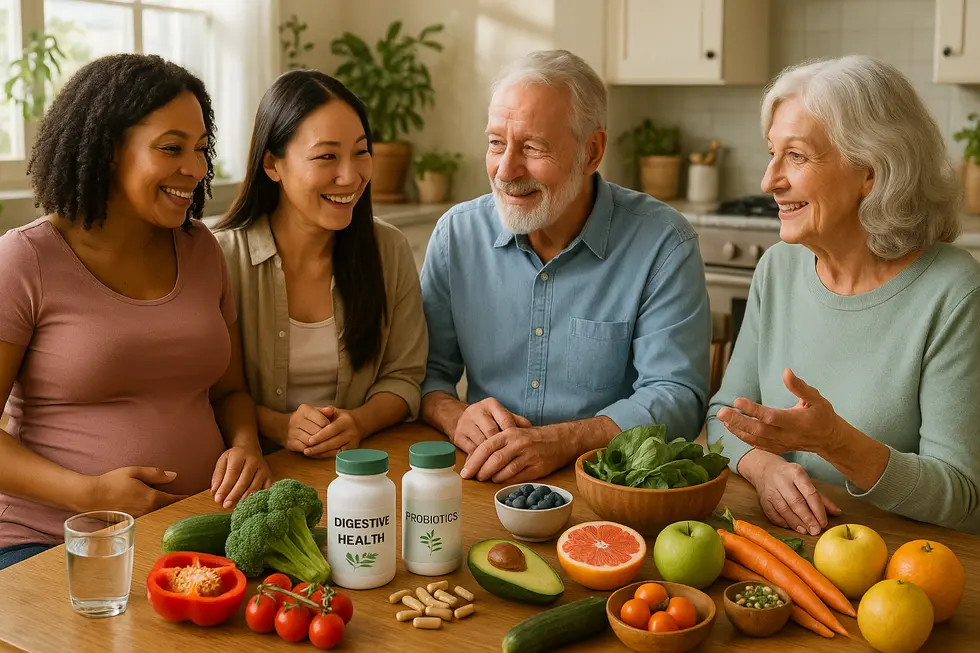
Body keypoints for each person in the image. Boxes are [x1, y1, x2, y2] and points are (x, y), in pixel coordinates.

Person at [0, 54, 272, 571]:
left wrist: (246, 446)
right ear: (107, 150)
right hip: (49, 543)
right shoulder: (25, 259)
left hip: (195, 535)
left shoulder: (201, 250)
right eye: (171, 148)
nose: (195, 169)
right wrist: (90, 494)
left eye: (201, 149)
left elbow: (230, 392)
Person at [707, 54, 980, 535]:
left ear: (871, 171)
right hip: (781, 548)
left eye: (796, 156)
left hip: (903, 568)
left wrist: (836, 442)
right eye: (772, 153)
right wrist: (762, 466)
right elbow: (721, 416)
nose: (769, 181)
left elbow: (960, 496)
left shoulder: (953, 291)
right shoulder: (778, 268)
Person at [419, 50, 712, 484]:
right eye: (496, 142)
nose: (505, 169)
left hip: (607, 489)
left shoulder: (663, 243)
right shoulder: (455, 237)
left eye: (533, 147)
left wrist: (564, 441)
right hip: (485, 480)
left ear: (591, 152)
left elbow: (678, 396)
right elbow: (423, 376)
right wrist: (453, 415)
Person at [214, 70, 427, 459]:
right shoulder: (223, 259)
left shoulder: (388, 249)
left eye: (361, 152)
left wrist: (359, 421)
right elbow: (212, 393)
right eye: (327, 156)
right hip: (262, 475)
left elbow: (405, 376)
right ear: (272, 165)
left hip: (364, 468)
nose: (350, 176)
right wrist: (279, 425)